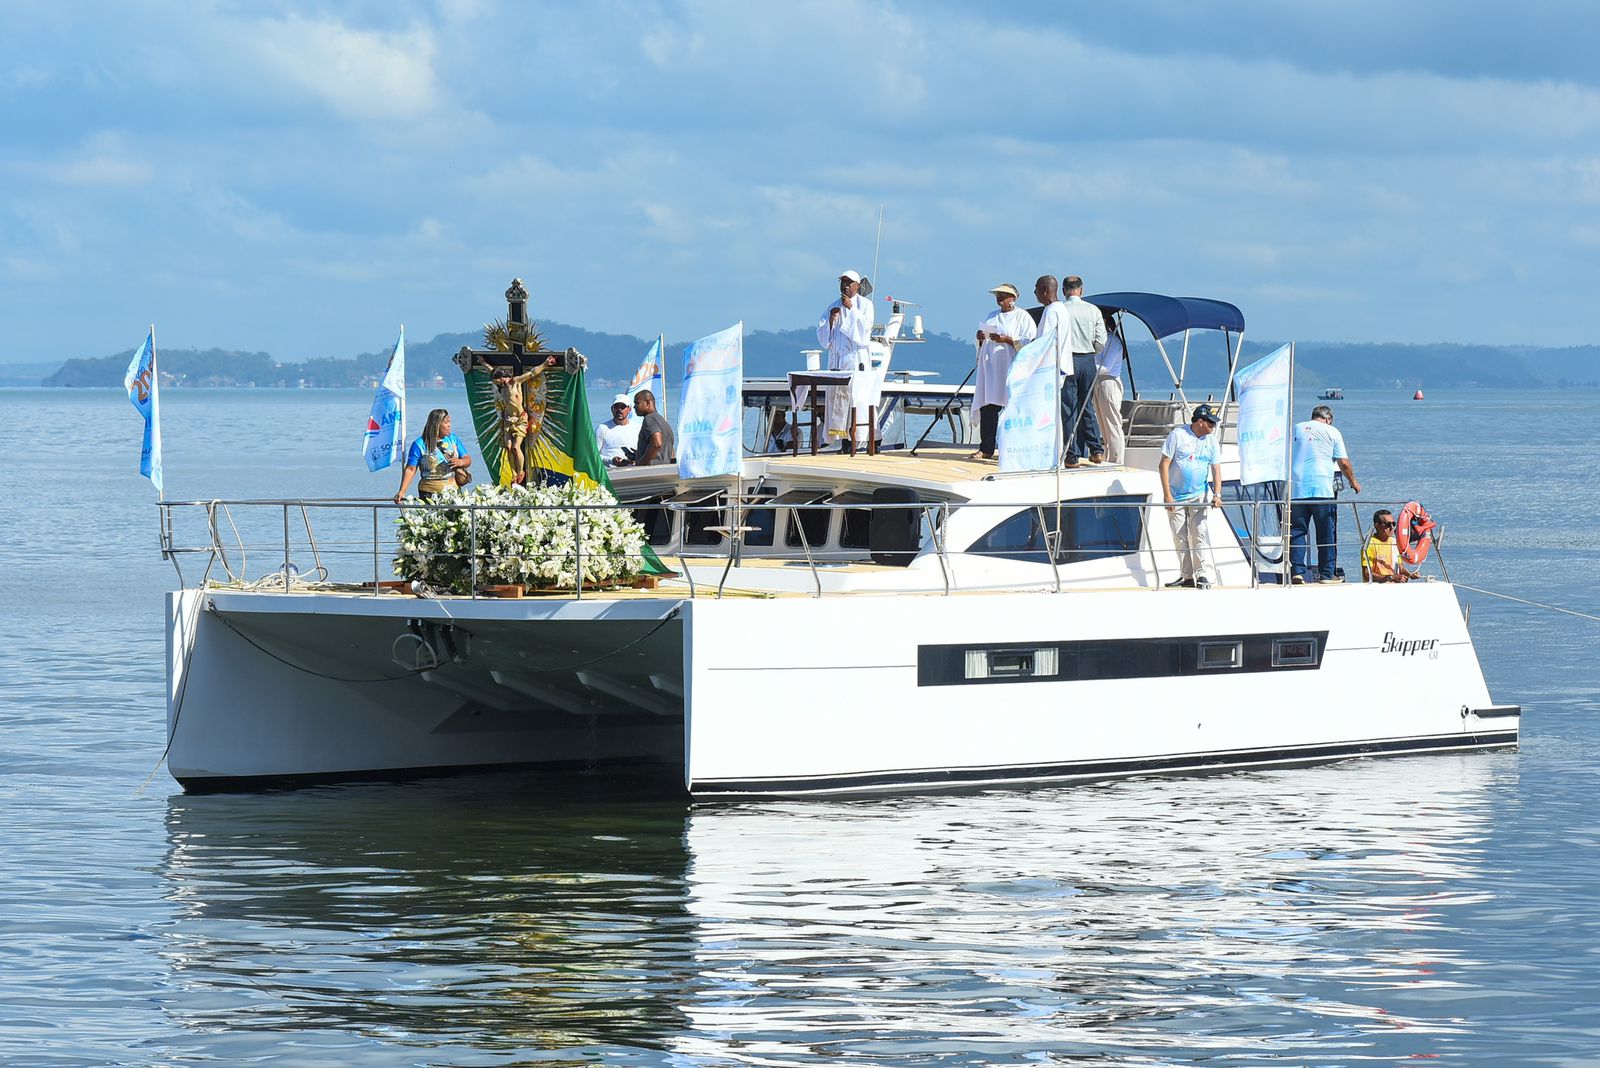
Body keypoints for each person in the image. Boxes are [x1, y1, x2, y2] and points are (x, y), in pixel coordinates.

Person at [1290, 403, 1361, 584]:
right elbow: (1344, 463)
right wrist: (1354, 482)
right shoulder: (1332, 432)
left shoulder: (1296, 428)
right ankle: (1327, 574)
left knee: (1297, 531)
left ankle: (1297, 571)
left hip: (1297, 488)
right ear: (1328, 419)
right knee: (1325, 531)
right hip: (1322, 488)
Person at [1158, 403, 1223, 588]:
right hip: (1176, 495)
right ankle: (1186, 576)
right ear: (1200, 422)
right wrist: (1167, 495)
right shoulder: (1178, 435)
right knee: (1180, 536)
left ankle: (1202, 574)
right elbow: (1163, 464)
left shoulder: (1211, 440)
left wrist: (1217, 494)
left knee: (1199, 533)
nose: (1213, 427)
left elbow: (1216, 469)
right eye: (1210, 424)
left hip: (1199, 495)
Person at [972, 282, 1037, 460]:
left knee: (1013, 408)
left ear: (1013, 298)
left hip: (1011, 366)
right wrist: (980, 338)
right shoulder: (992, 316)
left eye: (1003, 294)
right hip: (992, 368)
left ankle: (1013, 448)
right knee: (988, 408)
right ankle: (986, 448)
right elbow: (983, 339)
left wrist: (1007, 339)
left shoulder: (1023, 317)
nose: (999, 297)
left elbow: (1030, 342)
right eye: (998, 295)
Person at [1060, 276, 1106, 465]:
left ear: (1064, 290)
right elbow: (1101, 340)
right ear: (1081, 290)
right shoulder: (1093, 310)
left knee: (1068, 407)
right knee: (1087, 405)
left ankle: (1072, 455)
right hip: (1087, 358)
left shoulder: (1060, 310)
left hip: (1066, 359)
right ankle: (1096, 450)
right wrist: (1091, 351)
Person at [394, 408, 472, 503]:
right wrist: (402, 491)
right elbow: (410, 469)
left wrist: (461, 462)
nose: (449, 425)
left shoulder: (453, 439)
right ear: (437, 424)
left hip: (453, 491)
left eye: (449, 422)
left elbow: (467, 459)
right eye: (446, 422)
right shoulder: (419, 444)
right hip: (429, 493)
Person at [816, 269, 874, 372]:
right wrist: (831, 320)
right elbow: (822, 337)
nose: (845, 285)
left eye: (849, 282)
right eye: (843, 282)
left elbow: (864, 329)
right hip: (836, 361)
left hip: (856, 359)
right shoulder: (833, 306)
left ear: (857, 286)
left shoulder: (866, 304)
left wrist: (851, 308)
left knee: (854, 387)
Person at [1091, 306, 1126, 465]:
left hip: (1109, 382)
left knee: (1112, 424)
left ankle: (1116, 460)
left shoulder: (1113, 341)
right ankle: (1108, 457)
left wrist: (1084, 365)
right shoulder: (1098, 341)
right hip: (1097, 382)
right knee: (1102, 423)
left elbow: (1106, 367)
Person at [1361, 509, 1418, 583]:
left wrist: (1410, 575)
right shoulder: (1369, 545)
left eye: (1393, 524)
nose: (1392, 527)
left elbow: (1401, 568)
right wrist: (1390, 577)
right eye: (1388, 524)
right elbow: (1367, 574)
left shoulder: (1394, 542)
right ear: (1377, 525)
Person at [622, 388, 675, 466]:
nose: (634, 407)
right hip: (664, 469)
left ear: (647, 403)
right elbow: (669, 453)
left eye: (637, 403)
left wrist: (641, 463)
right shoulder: (663, 421)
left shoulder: (649, 418)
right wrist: (640, 454)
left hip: (651, 472)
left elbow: (656, 444)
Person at [596, 394, 643, 466]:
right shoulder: (602, 428)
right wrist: (611, 461)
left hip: (634, 472)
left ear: (629, 409)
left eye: (623, 407)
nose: (619, 410)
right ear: (612, 409)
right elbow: (593, 455)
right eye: (616, 407)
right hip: (612, 474)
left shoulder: (638, 428)